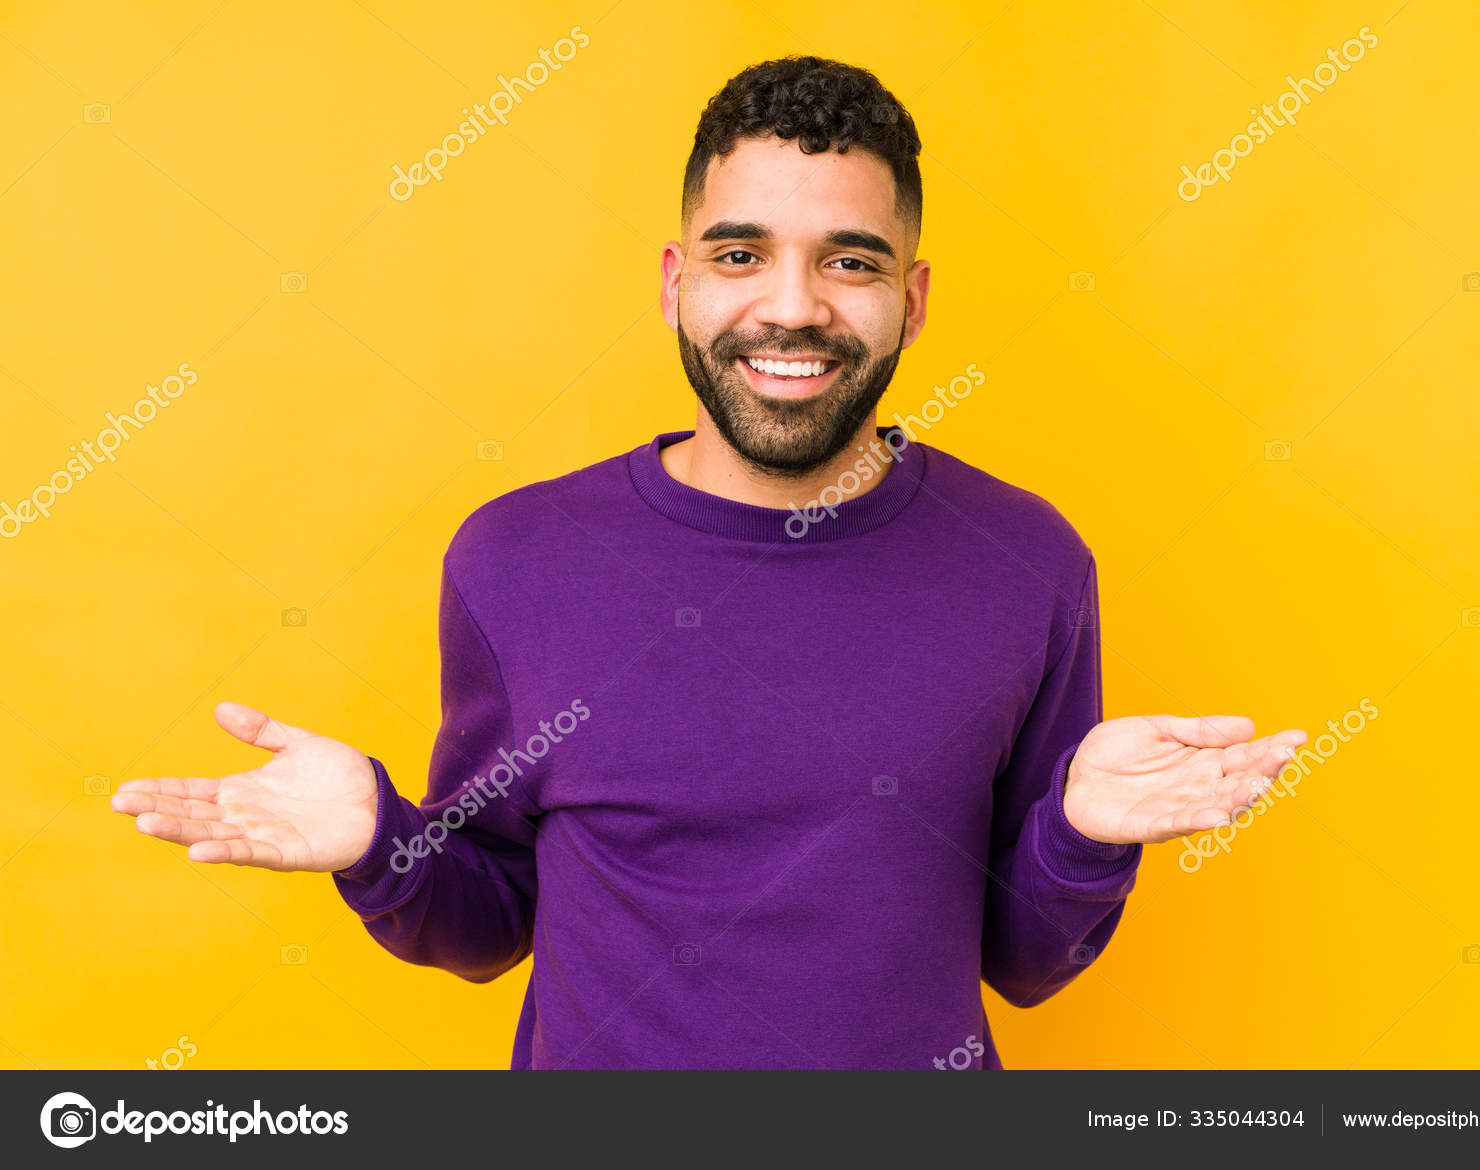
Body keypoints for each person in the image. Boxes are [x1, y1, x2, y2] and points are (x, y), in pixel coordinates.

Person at [111, 55, 1306, 1069]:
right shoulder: (517, 557)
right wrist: (379, 841)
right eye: (740, 256)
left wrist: (1081, 835)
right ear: (676, 284)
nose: (791, 309)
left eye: (849, 261)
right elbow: (485, 926)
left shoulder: (1028, 560)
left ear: (914, 297)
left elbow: (1025, 961)